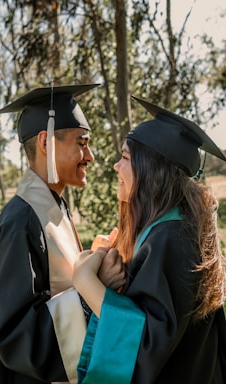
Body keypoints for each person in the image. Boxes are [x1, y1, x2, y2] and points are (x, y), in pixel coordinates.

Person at [0, 84, 125, 384]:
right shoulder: (21, 222)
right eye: (82, 143)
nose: (89, 156)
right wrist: (90, 290)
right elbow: (14, 337)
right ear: (46, 142)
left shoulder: (52, 208)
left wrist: (90, 262)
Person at [73, 96, 226, 384]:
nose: (116, 167)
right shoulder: (177, 228)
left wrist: (86, 281)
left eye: (126, 158)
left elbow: (142, 345)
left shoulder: (170, 238)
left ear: (153, 171)